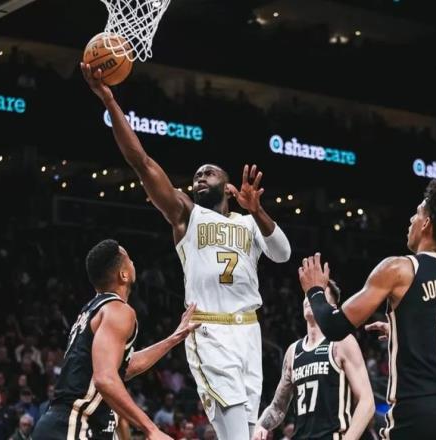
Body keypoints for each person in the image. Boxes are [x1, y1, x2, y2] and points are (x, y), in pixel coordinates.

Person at [81, 63, 291, 440]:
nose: (199, 178)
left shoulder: (248, 223)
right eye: (196, 176)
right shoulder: (186, 215)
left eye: (208, 173)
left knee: (247, 433)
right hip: (210, 329)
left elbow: (283, 254)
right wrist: (110, 103)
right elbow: (141, 162)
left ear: (229, 188)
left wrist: (258, 211)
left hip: (249, 330)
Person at [299, 179, 436, 440]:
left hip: (419, 411)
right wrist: (404, 333)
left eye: (417, 213)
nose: (411, 220)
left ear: (426, 224)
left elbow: (335, 326)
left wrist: (315, 291)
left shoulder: (399, 269)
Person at [33, 239, 199, 439]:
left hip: (65, 424)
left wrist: (173, 339)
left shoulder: (93, 309)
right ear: (123, 275)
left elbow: (123, 368)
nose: (133, 262)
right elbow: (105, 379)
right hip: (74, 425)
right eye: (129, 259)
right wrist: (151, 429)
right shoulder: (118, 310)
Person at [253, 281, 374, 440]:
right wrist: (261, 426)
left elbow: (367, 402)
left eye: (317, 294)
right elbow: (277, 408)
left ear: (332, 307)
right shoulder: (293, 351)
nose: (309, 298)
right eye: (307, 294)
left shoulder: (342, 342)